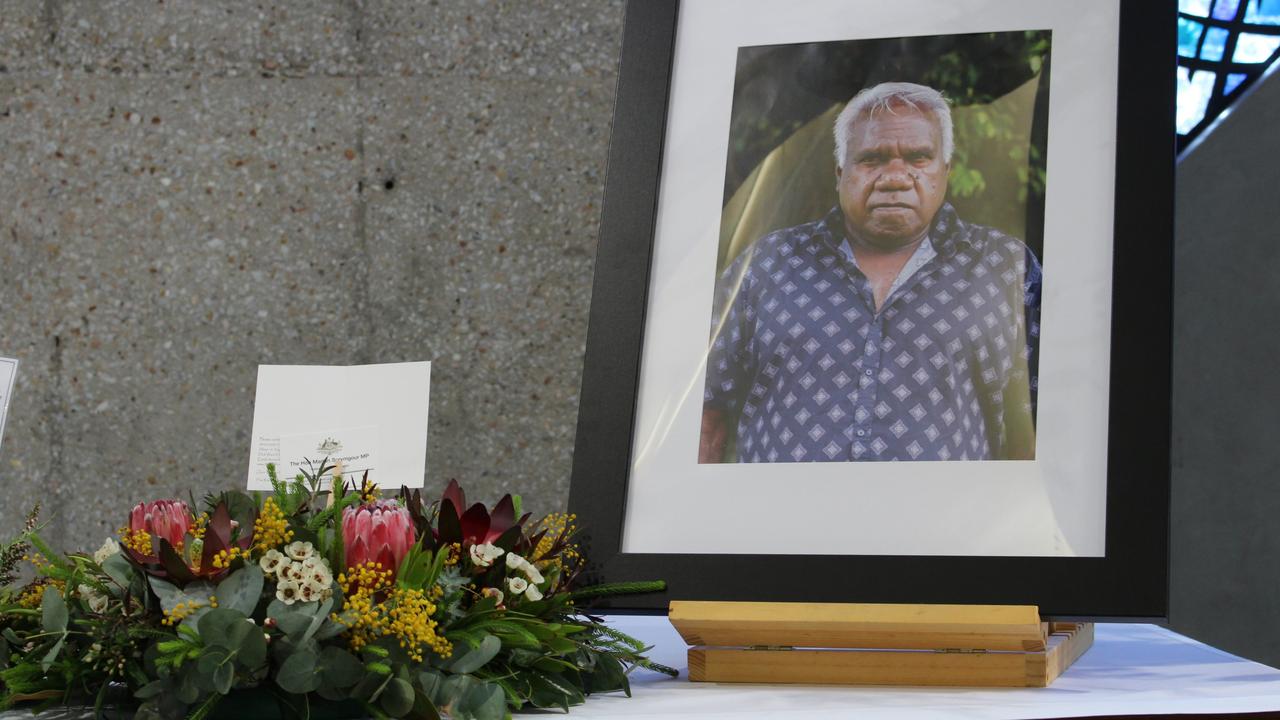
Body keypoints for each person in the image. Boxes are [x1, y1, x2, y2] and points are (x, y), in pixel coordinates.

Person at [700, 82, 1041, 463]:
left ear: (945, 171)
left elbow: (1040, 428)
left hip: (944, 522)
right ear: (840, 172)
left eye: (917, 158)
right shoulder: (768, 263)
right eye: (872, 159)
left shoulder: (1006, 269)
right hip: (778, 520)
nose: (895, 177)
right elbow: (704, 413)